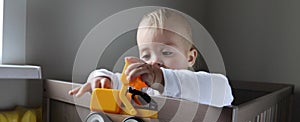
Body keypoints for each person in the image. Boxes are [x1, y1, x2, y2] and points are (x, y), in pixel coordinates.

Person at [69, 8, 234, 107]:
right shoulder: (143, 87)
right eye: (146, 55)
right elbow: (118, 80)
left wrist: (161, 78)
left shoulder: (197, 85)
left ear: (190, 58)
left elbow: (223, 90)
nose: (154, 61)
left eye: (167, 52)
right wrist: (101, 79)